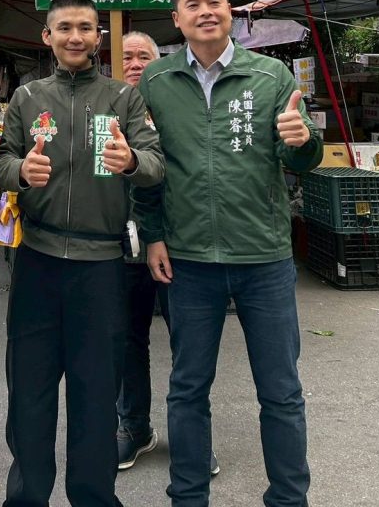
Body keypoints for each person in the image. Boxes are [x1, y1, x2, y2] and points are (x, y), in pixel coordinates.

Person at [132, 0, 323, 507]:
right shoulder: (157, 81)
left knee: (281, 391)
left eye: (214, 1)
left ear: (229, 10)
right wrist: (153, 234)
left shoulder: (270, 76)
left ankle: (289, 498)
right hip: (189, 260)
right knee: (188, 389)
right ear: (177, 19)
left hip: (264, 257)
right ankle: (188, 496)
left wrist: (303, 141)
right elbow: (150, 167)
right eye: (192, 5)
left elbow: (300, 158)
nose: (206, 12)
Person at [0, 0, 165, 507]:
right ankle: (26, 497)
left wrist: (131, 161)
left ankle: (94, 497)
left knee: (96, 395)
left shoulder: (122, 98)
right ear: (47, 36)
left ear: (98, 37)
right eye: (65, 27)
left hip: (102, 266)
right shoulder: (27, 98)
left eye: (85, 28)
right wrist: (19, 171)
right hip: (38, 263)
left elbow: (155, 163)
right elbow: (1, 160)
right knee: (30, 394)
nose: (75, 37)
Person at [116, 32, 220, 478]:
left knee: (189, 342)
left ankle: (191, 435)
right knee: (126, 340)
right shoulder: (107, 108)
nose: (136, 64)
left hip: (178, 244)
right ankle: (134, 426)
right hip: (122, 244)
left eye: (145, 56)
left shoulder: (178, 104)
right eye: (127, 57)